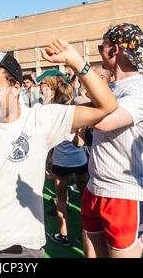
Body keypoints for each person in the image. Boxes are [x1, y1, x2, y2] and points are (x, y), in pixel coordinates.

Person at [0, 38, 117, 258]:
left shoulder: (40, 119)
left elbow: (107, 106)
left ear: (16, 88)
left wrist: (76, 62)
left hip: (21, 249)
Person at [81, 23, 143, 258]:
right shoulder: (111, 88)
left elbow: (101, 121)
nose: (99, 51)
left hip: (127, 195)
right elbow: (77, 107)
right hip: (95, 188)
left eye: (101, 46)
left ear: (114, 50)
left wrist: (79, 65)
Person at [48, 82, 89, 248]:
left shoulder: (52, 114)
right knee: (85, 198)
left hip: (61, 161)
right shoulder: (78, 113)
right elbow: (81, 142)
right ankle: (91, 230)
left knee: (61, 199)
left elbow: (49, 141)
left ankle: (64, 235)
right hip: (79, 160)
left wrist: (48, 159)